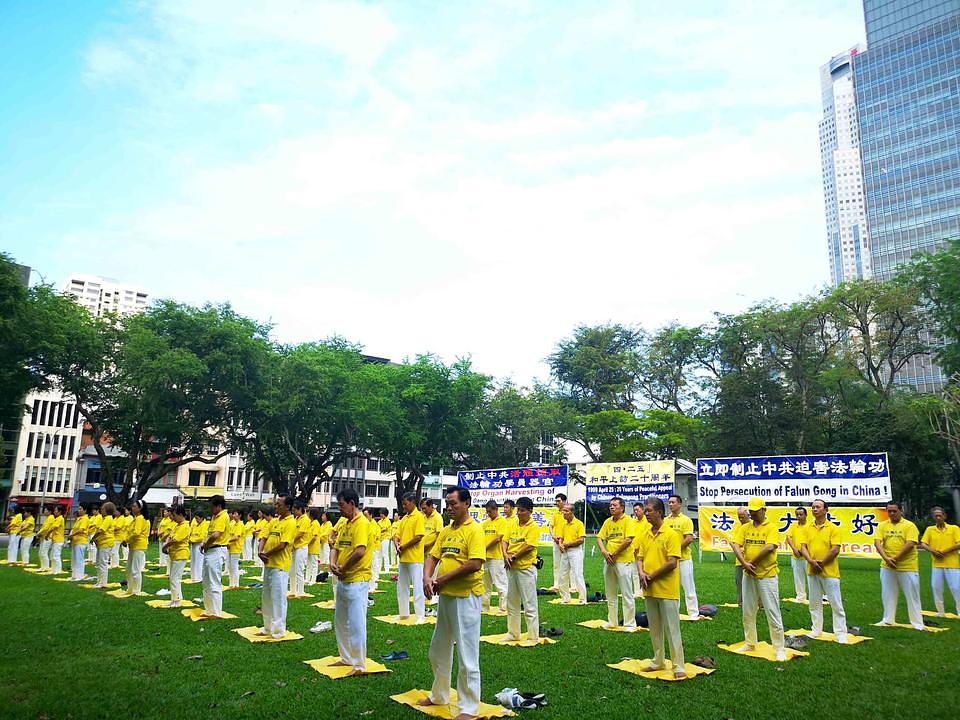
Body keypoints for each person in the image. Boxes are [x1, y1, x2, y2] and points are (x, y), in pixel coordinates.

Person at [418, 486, 485, 720]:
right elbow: (433, 556)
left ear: (467, 503)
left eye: (454, 504)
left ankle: (469, 707)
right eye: (447, 504)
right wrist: (427, 577)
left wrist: (441, 579)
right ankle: (439, 695)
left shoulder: (475, 530)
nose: (449, 508)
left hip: (466, 597)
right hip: (446, 597)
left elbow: (474, 563)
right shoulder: (446, 531)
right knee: (438, 649)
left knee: (467, 654)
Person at [731, 498, 785, 661]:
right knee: (748, 610)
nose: (753, 514)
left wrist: (750, 563)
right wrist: (744, 563)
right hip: (749, 575)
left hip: (767, 575)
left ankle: (779, 647)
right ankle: (750, 642)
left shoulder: (771, 528)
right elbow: (735, 544)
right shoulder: (745, 527)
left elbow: (769, 547)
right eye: (751, 511)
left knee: (772, 611)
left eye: (756, 511)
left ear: (764, 510)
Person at [637, 497, 686, 678]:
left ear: (659, 512)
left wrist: (651, 576)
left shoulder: (671, 534)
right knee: (655, 627)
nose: (646, 513)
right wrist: (642, 574)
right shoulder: (645, 534)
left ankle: (678, 665)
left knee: (672, 628)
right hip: (649, 587)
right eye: (646, 510)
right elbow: (640, 557)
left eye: (649, 510)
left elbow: (672, 562)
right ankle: (658, 660)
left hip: (666, 588)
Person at [331, 488, 376, 676]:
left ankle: (358, 664)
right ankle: (346, 657)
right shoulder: (345, 524)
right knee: (340, 620)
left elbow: (360, 551)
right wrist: (332, 563)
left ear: (352, 503)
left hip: (357, 579)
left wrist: (344, 568)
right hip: (343, 578)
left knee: (357, 623)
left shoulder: (362, 524)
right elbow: (336, 545)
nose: (339, 509)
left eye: (341, 504)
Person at [800, 499, 847, 643]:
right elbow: (803, 547)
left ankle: (840, 633)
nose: (815, 509)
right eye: (813, 507)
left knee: (835, 603)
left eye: (818, 507)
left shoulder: (833, 528)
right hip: (812, 571)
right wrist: (811, 561)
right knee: (814, 603)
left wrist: (821, 563)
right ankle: (816, 629)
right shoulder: (807, 528)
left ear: (825, 510)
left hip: (829, 572)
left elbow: (835, 549)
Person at [875, 501, 923, 630]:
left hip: (907, 566)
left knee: (912, 595)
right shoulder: (882, 525)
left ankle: (917, 623)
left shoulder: (909, 525)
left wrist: (895, 559)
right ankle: (888, 619)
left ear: (900, 510)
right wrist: (886, 558)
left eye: (894, 511)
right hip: (887, 566)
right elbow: (877, 542)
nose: (891, 513)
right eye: (889, 511)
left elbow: (910, 543)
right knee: (888, 593)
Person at [503, 496, 540, 644]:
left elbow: (529, 545)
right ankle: (513, 633)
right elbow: (505, 541)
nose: (519, 513)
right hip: (512, 568)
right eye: (518, 510)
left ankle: (532, 636)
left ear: (530, 511)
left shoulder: (534, 527)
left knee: (529, 603)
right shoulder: (512, 524)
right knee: (511, 602)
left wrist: (514, 556)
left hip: (526, 568)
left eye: (522, 510)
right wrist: (506, 555)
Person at [596, 497, 637, 630]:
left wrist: (614, 554)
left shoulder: (629, 521)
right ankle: (612, 621)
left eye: (614, 505)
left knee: (627, 593)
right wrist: (604, 552)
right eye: (610, 505)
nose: (611, 507)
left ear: (622, 507)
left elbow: (628, 540)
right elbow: (600, 538)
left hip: (623, 561)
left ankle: (629, 623)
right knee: (610, 593)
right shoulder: (608, 522)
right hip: (609, 561)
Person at [259, 495, 296, 638]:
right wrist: (261, 551)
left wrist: (267, 553)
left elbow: (283, 544)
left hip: (280, 565)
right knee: (267, 596)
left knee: (278, 597)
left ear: (287, 507)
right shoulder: (274, 521)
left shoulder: (291, 523)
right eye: (276, 504)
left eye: (279, 505)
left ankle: (278, 629)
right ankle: (267, 627)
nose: (276, 507)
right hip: (269, 564)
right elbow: (264, 536)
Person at [920, 506, 960, 617]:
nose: (938, 517)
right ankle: (940, 612)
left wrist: (945, 552)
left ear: (944, 516)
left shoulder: (954, 528)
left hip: (952, 564)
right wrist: (933, 551)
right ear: (933, 517)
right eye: (936, 516)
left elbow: (958, 543)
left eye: (940, 515)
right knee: (936, 587)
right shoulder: (930, 529)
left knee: (956, 588)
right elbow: (923, 543)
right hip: (937, 564)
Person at [665, 495, 699, 620]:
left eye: (673, 502)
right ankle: (674, 612)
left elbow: (689, 538)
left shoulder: (686, 520)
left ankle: (693, 613)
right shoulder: (666, 521)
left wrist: (676, 550)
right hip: (670, 560)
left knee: (688, 586)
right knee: (673, 588)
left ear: (679, 504)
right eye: (669, 502)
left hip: (684, 559)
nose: (670, 504)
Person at [394, 492, 427, 622]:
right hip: (404, 558)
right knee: (402, 586)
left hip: (415, 558)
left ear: (413, 502)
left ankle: (420, 615)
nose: (404, 506)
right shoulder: (404, 519)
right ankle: (404, 613)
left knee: (418, 587)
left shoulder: (419, 517)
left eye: (405, 503)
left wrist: (403, 546)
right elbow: (397, 535)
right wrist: (397, 544)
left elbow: (418, 537)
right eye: (403, 503)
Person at [200, 495, 230, 618]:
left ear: (218, 506)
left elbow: (216, 535)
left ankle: (216, 611)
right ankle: (209, 610)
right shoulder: (215, 517)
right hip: (210, 550)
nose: (210, 509)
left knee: (214, 581)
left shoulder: (223, 516)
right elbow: (210, 534)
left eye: (212, 506)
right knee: (206, 581)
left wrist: (206, 545)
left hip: (217, 550)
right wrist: (205, 543)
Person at [480, 501, 508, 611]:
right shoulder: (485, 523)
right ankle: (484, 607)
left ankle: (504, 607)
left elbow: (498, 538)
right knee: (485, 584)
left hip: (496, 556)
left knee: (500, 583)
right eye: (487, 512)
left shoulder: (502, 521)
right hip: (485, 557)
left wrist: (485, 547)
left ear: (496, 509)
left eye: (490, 512)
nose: (488, 514)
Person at [557, 503, 586, 604]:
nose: (564, 513)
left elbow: (581, 539)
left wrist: (567, 544)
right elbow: (560, 537)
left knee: (578, 574)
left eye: (566, 511)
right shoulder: (563, 524)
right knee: (562, 575)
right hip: (565, 551)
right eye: (563, 511)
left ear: (572, 512)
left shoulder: (579, 524)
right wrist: (560, 544)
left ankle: (582, 598)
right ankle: (565, 597)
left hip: (575, 551)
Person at [163, 506, 191, 607]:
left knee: (175, 578)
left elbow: (175, 540)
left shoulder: (185, 526)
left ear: (180, 515)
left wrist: (165, 546)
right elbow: (171, 537)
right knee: (173, 578)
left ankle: (177, 600)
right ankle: (175, 599)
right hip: (175, 554)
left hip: (180, 554)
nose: (173, 518)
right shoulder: (177, 525)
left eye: (174, 515)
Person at [785, 506, 809, 602]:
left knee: (812, 578)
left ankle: (818, 597)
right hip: (796, 556)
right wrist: (794, 549)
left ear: (806, 515)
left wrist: (804, 550)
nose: (799, 516)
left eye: (801, 514)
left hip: (808, 557)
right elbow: (789, 538)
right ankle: (801, 597)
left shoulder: (810, 526)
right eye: (797, 515)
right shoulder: (793, 526)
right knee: (798, 578)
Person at [126, 500, 150, 595]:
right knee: (129, 569)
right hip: (134, 545)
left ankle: (136, 590)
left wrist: (127, 539)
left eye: (135, 506)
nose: (133, 508)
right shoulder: (137, 518)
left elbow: (136, 532)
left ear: (140, 508)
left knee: (135, 569)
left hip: (138, 545)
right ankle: (130, 589)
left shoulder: (140, 518)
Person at [90, 502, 116, 587]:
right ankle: (99, 581)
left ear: (108, 510)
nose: (101, 510)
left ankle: (103, 582)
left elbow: (101, 530)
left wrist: (93, 538)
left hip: (106, 543)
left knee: (103, 563)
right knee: (98, 563)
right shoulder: (104, 518)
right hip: (101, 543)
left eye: (103, 509)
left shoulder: (108, 518)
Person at [288, 502, 311, 597]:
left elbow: (301, 533)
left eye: (295, 510)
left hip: (301, 547)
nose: (294, 512)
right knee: (292, 570)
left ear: (300, 509)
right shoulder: (296, 519)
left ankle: (300, 591)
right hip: (294, 547)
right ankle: (293, 590)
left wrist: (290, 540)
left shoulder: (305, 519)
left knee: (299, 570)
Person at [732, 506, 750, 606]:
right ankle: (741, 602)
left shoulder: (752, 525)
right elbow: (734, 542)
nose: (741, 519)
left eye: (743, 516)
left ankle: (760, 603)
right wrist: (739, 550)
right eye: (739, 517)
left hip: (752, 559)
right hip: (739, 560)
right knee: (739, 581)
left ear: (748, 515)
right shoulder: (737, 526)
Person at [631, 502, 650, 599]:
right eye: (634, 510)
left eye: (637, 510)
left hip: (643, 550)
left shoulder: (647, 522)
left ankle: (644, 590)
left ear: (643, 510)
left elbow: (646, 536)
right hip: (633, 550)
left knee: (643, 571)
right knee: (634, 572)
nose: (636, 512)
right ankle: (636, 591)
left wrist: (639, 547)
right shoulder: (633, 522)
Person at [549, 493, 568, 591]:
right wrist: (553, 536)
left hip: (567, 542)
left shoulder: (568, 512)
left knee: (569, 564)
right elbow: (551, 526)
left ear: (564, 501)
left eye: (559, 501)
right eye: (556, 501)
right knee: (557, 564)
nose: (557, 503)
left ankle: (571, 585)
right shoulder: (555, 514)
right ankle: (556, 584)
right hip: (556, 542)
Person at [69, 505, 90, 581]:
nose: (79, 510)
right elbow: (75, 529)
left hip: (81, 541)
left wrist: (71, 535)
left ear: (85, 510)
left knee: (79, 559)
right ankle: (74, 575)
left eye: (80, 509)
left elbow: (81, 530)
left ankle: (79, 575)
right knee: (75, 559)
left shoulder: (85, 519)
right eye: (78, 508)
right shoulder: (78, 519)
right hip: (76, 541)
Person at [226, 509, 244, 589]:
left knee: (234, 566)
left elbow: (236, 537)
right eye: (233, 514)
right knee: (229, 566)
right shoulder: (233, 524)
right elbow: (230, 535)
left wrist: (226, 541)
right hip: (230, 547)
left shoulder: (240, 525)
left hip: (236, 548)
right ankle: (231, 583)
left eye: (236, 514)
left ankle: (236, 584)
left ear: (240, 515)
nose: (233, 515)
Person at [306, 508, 323, 586]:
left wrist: (307, 544)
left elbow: (314, 536)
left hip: (314, 547)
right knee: (308, 564)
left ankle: (313, 579)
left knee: (313, 564)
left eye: (308, 513)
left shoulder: (316, 523)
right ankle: (307, 578)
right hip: (309, 547)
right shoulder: (310, 523)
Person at [189, 510, 206, 582]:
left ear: (202, 518)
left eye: (197, 518)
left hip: (199, 544)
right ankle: (193, 577)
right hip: (193, 543)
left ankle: (199, 577)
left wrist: (192, 540)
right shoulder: (195, 523)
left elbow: (202, 537)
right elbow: (191, 532)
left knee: (199, 561)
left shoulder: (205, 524)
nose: (196, 520)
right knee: (193, 561)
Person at [48, 506, 66, 574]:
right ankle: (53, 569)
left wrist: (47, 534)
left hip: (58, 540)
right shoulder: (57, 519)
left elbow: (53, 528)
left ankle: (58, 570)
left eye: (56, 510)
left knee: (56, 556)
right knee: (52, 556)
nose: (54, 511)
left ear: (60, 511)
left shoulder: (60, 518)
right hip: (55, 539)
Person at [37, 507, 55, 571]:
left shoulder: (51, 518)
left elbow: (46, 528)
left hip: (48, 538)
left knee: (44, 552)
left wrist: (38, 533)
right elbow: (44, 527)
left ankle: (46, 567)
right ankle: (43, 567)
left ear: (50, 511)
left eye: (45, 510)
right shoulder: (47, 518)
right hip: (43, 537)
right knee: (41, 552)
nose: (44, 511)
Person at [157, 508, 174, 572]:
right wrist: (158, 533)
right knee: (161, 550)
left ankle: (165, 563)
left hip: (165, 537)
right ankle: (161, 562)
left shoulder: (169, 520)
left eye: (166, 512)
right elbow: (160, 527)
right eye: (164, 512)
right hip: (161, 536)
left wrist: (163, 535)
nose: (164, 513)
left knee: (166, 550)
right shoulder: (163, 519)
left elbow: (168, 530)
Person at [378, 509, 393, 573]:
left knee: (385, 554)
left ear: (385, 514)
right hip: (380, 539)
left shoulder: (388, 521)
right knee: (380, 554)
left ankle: (387, 569)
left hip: (385, 539)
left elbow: (384, 529)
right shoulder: (379, 521)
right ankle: (379, 568)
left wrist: (380, 530)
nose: (380, 515)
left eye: (382, 513)